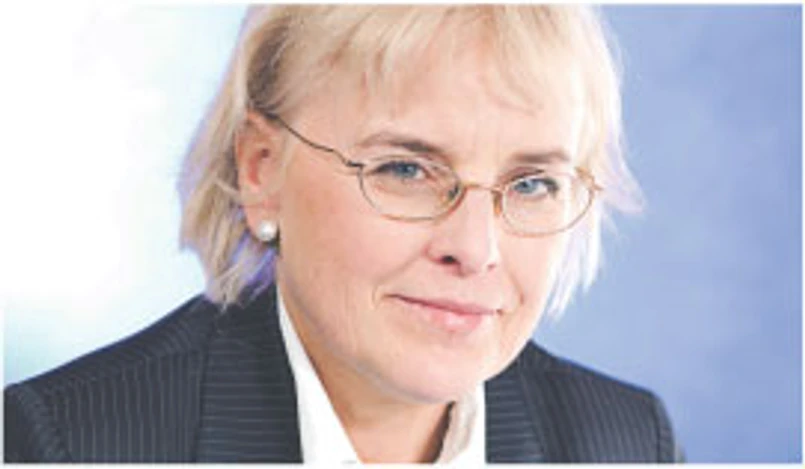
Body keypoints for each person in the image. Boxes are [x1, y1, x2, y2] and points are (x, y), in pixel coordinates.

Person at [5, 5, 682, 463]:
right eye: (406, 169)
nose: (476, 249)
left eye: (532, 183)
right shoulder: (71, 442)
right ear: (261, 170)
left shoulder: (625, 444)